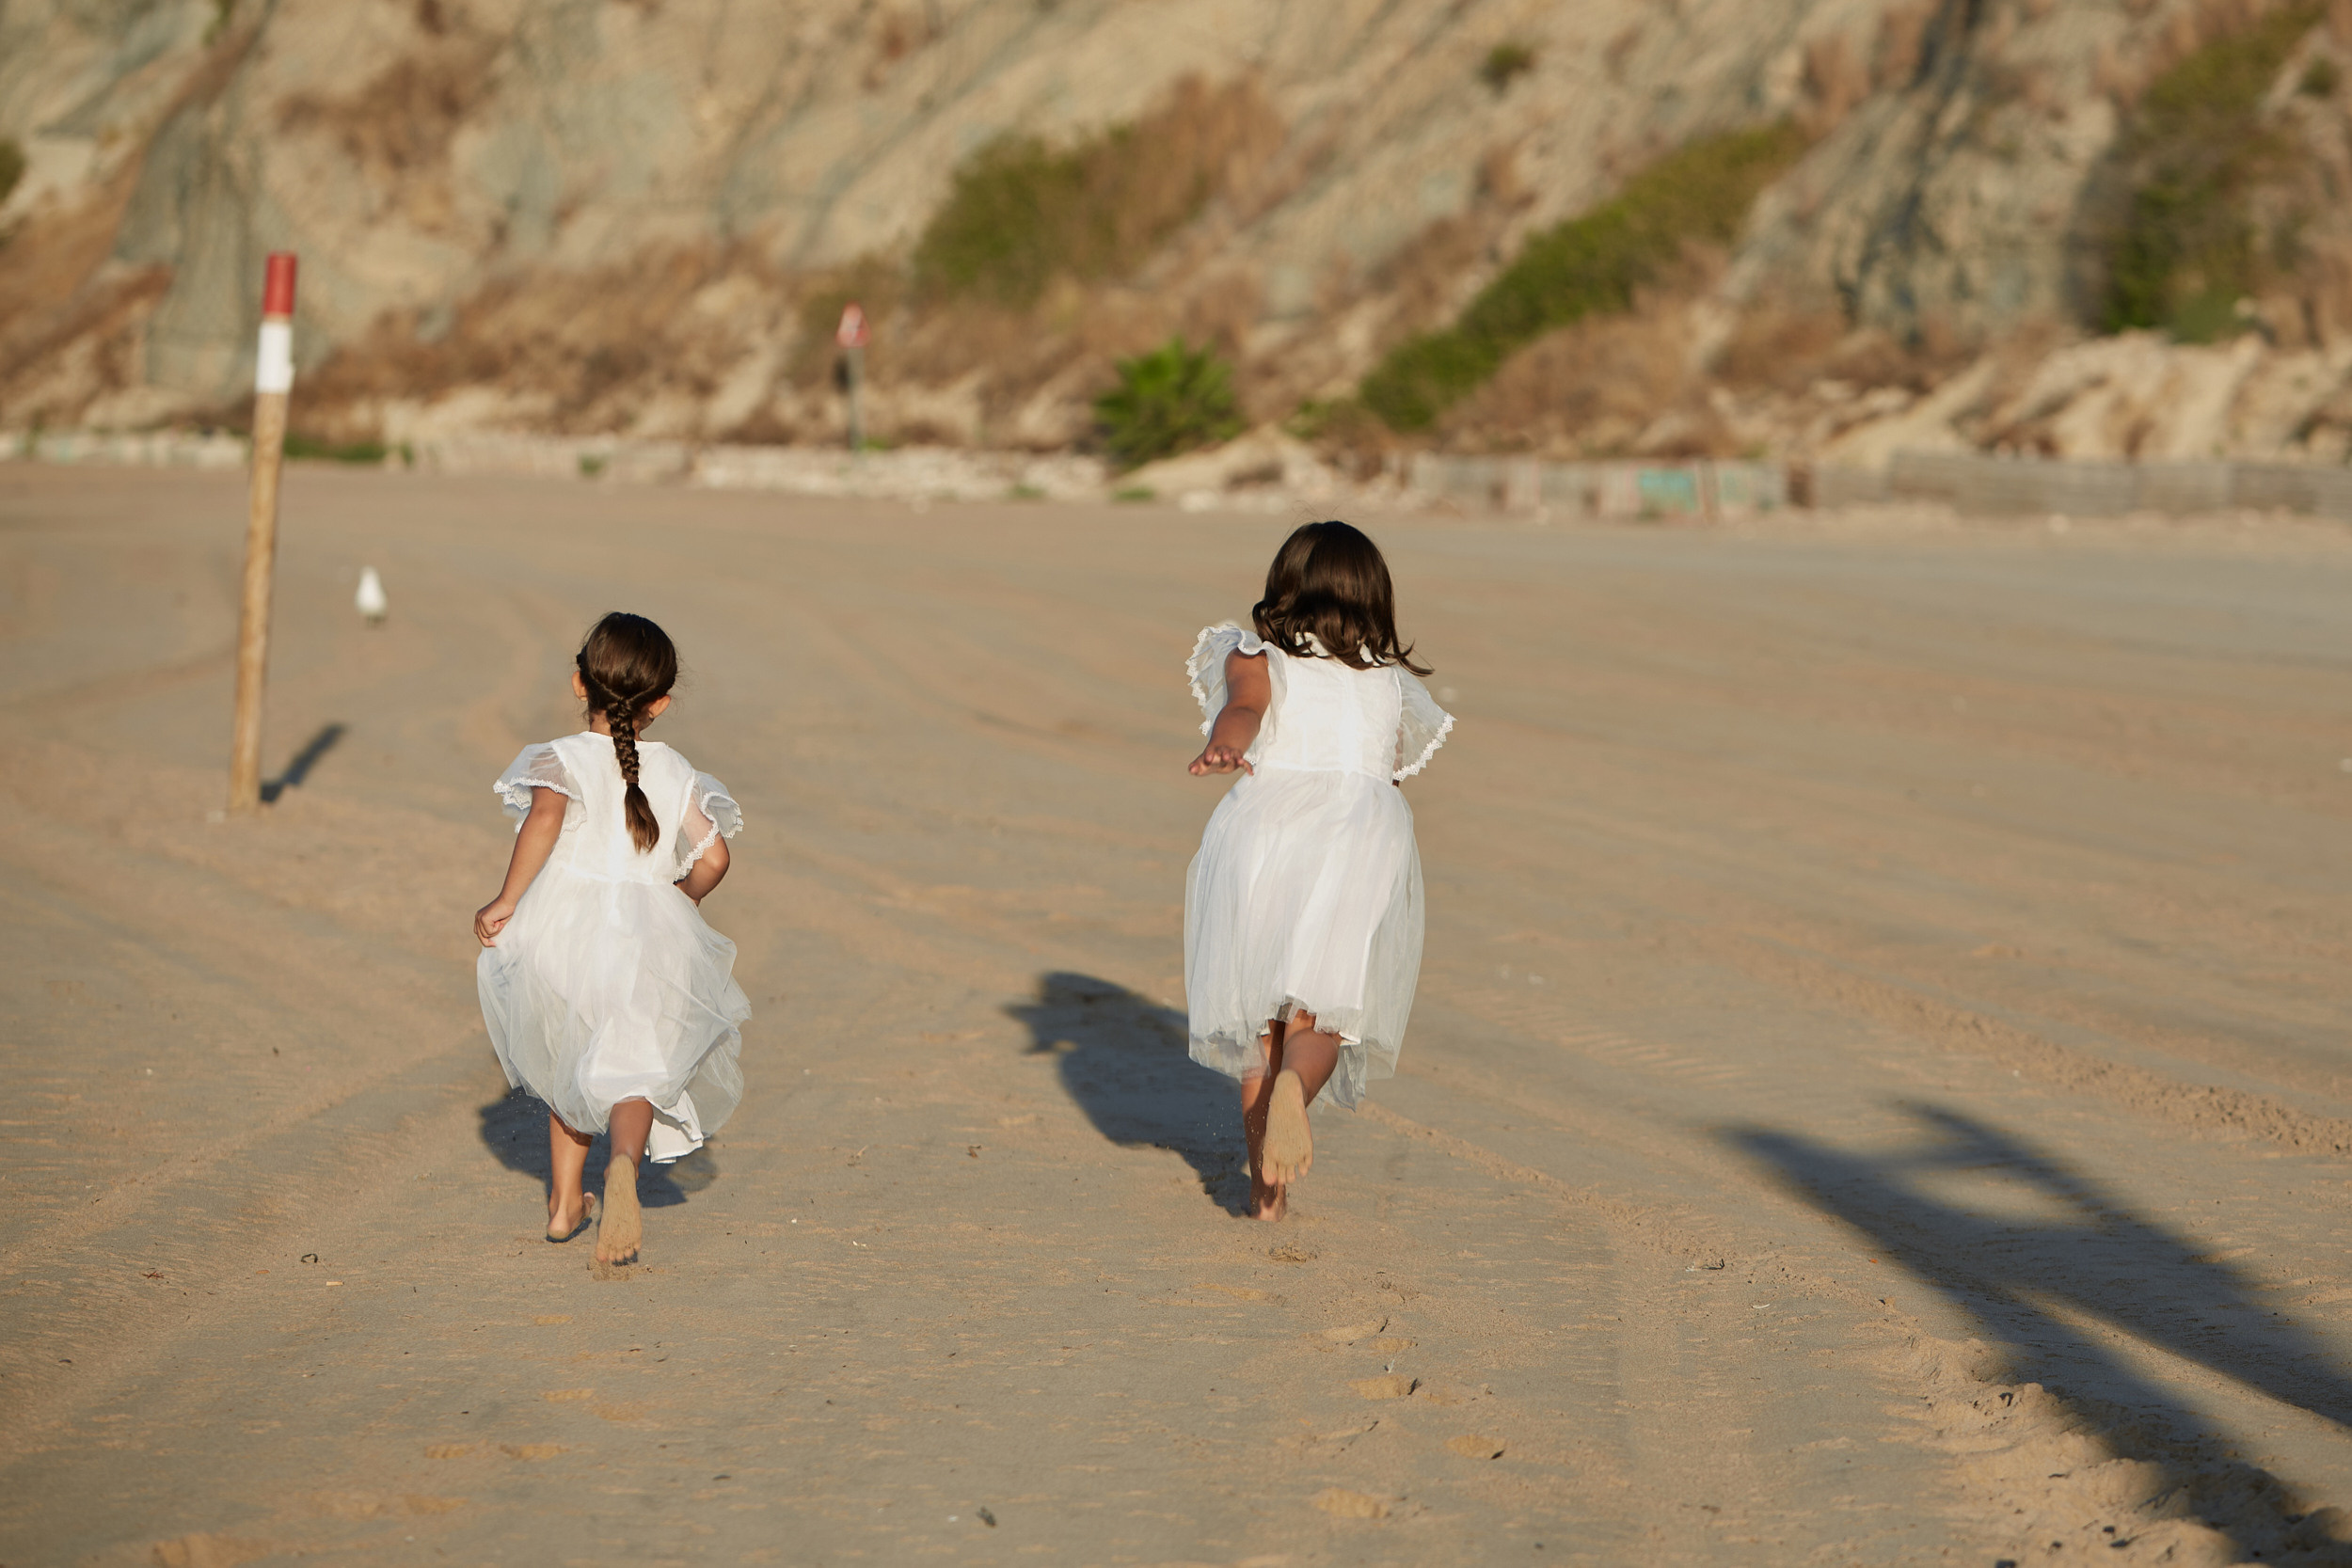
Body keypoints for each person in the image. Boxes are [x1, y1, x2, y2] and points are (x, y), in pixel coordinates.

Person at [1184, 521, 1453, 1221]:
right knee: (1320, 1016)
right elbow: (1381, 780)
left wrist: (1223, 747)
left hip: (1267, 836)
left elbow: (1243, 709)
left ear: (1284, 587)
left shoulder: (1258, 656)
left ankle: (1263, 1195)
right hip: (1360, 843)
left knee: (1258, 1029)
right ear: (1374, 599)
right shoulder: (1387, 684)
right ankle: (1296, 1094)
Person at [473, 612, 749, 1266]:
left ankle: (565, 1205)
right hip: (650, 935)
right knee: (634, 1067)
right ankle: (622, 1163)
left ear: (579, 683)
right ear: (661, 704)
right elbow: (714, 857)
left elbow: (542, 821)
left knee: (573, 1054)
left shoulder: (561, 759)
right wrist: (681, 903)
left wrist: (508, 898)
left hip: (565, 932)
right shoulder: (676, 768)